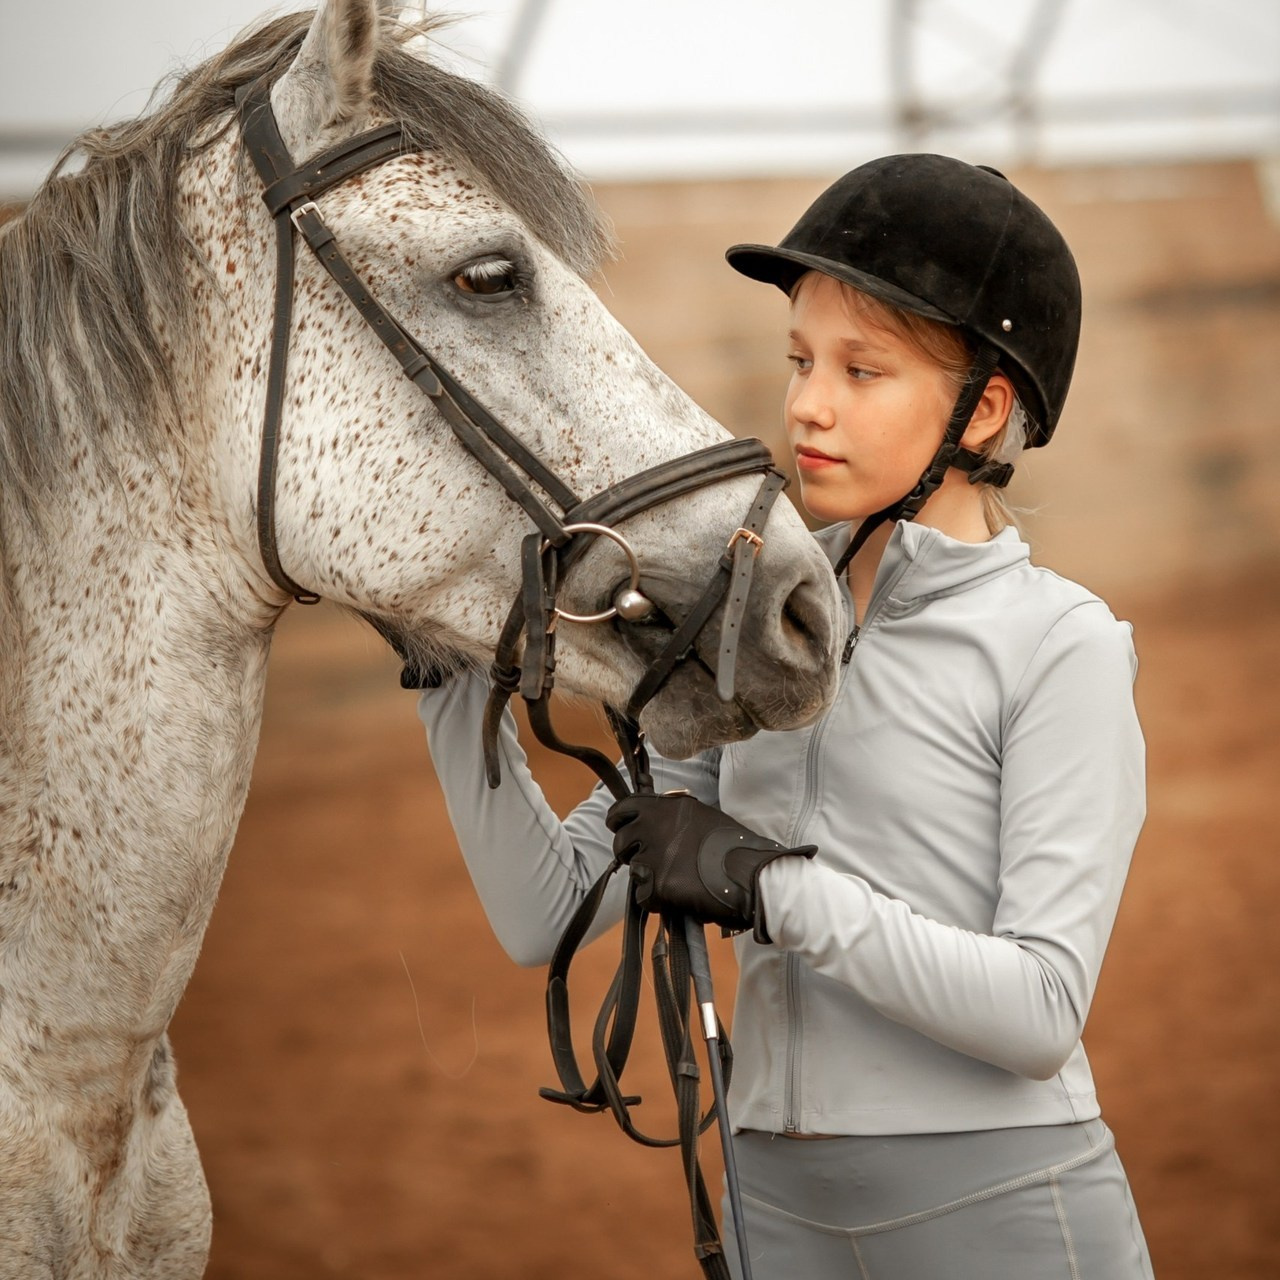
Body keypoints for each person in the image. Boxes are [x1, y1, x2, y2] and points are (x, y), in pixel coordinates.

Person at [417, 153, 1154, 1279]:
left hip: (1000, 1201)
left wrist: (767, 884)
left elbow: (1040, 1007)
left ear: (984, 406)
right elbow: (545, 909)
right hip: (773, 1208)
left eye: (863, 370)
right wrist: (449, 669)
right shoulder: (749, 642)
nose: (807, 401)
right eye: (801, 359)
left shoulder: (1061, 644)